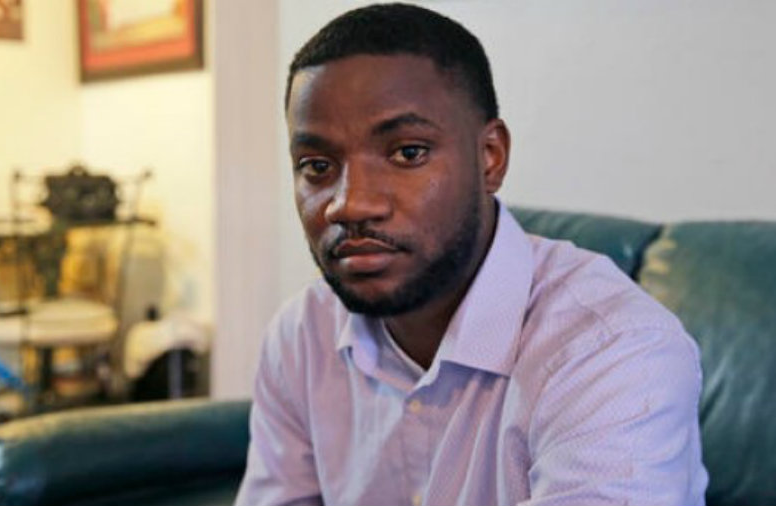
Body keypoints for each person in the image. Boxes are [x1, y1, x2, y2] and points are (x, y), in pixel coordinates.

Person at [235, 3, 708, 505]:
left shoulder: (611, 351)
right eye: (316, 165)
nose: (349, 204)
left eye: (408, 153)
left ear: (490, 158)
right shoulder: (302, 336)